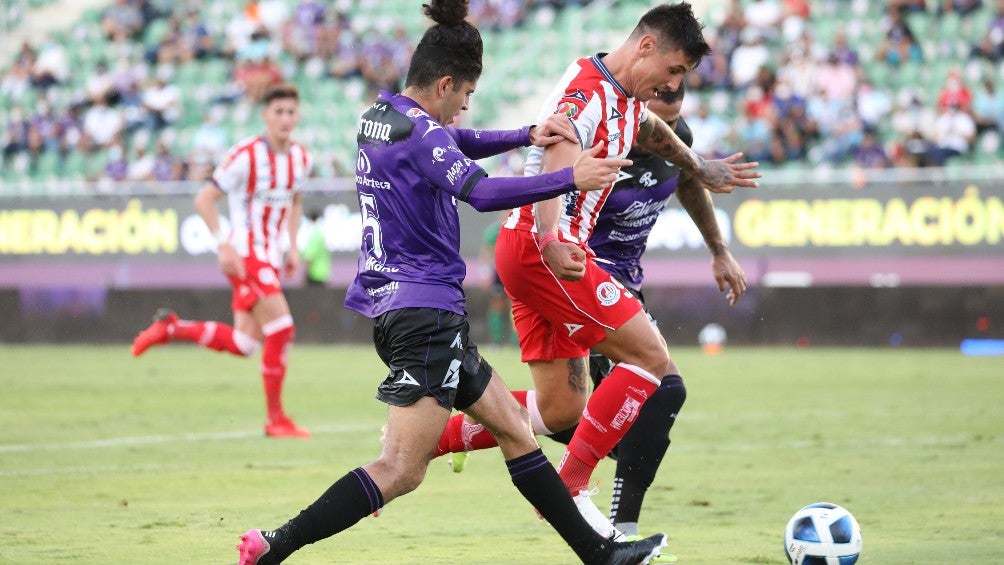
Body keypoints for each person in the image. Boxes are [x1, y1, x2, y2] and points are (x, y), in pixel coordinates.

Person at [235, 1, 668, 563]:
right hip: (426, 316)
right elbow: (481, 193)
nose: (465, 109)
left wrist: (525, 134)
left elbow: (448, 144)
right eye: (463, 98)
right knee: (400, 470)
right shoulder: (424, 134)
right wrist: (567, 176)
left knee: (516, 429)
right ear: (444, 84)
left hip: (404, 310)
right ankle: (276, 543)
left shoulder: (382, 115)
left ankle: (600, 554)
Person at [433, 1, 757, 543]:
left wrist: (699, 166)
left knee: (563, 408)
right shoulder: (588, 90)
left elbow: (653, 131)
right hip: (548, 252)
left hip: (533, 252)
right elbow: (559, 148)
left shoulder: (627, 99)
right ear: (647, 46)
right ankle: (573, 484)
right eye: (674, 70)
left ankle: (432, 437)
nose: (675, 83)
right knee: (652, 360)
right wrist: (551, 236)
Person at [131, 83, 313, 439]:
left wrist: (292, 247)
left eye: (291, 112)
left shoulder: (301, 158)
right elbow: (204, 199)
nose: (285, 118)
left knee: (246, 343)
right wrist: (223, 245)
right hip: (245, 256)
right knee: (282, 329)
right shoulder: (244, 155)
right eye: (278, 111)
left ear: (298, 116)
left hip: (269, 257)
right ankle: (275, 420)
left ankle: (170, 328)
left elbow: (295, 202)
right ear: (265, 115)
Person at [301, 208, 330, 286]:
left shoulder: (314, 234)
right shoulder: (321, 233)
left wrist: (305, 273)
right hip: (322, 272)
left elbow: (310, 256)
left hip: (314, 274)